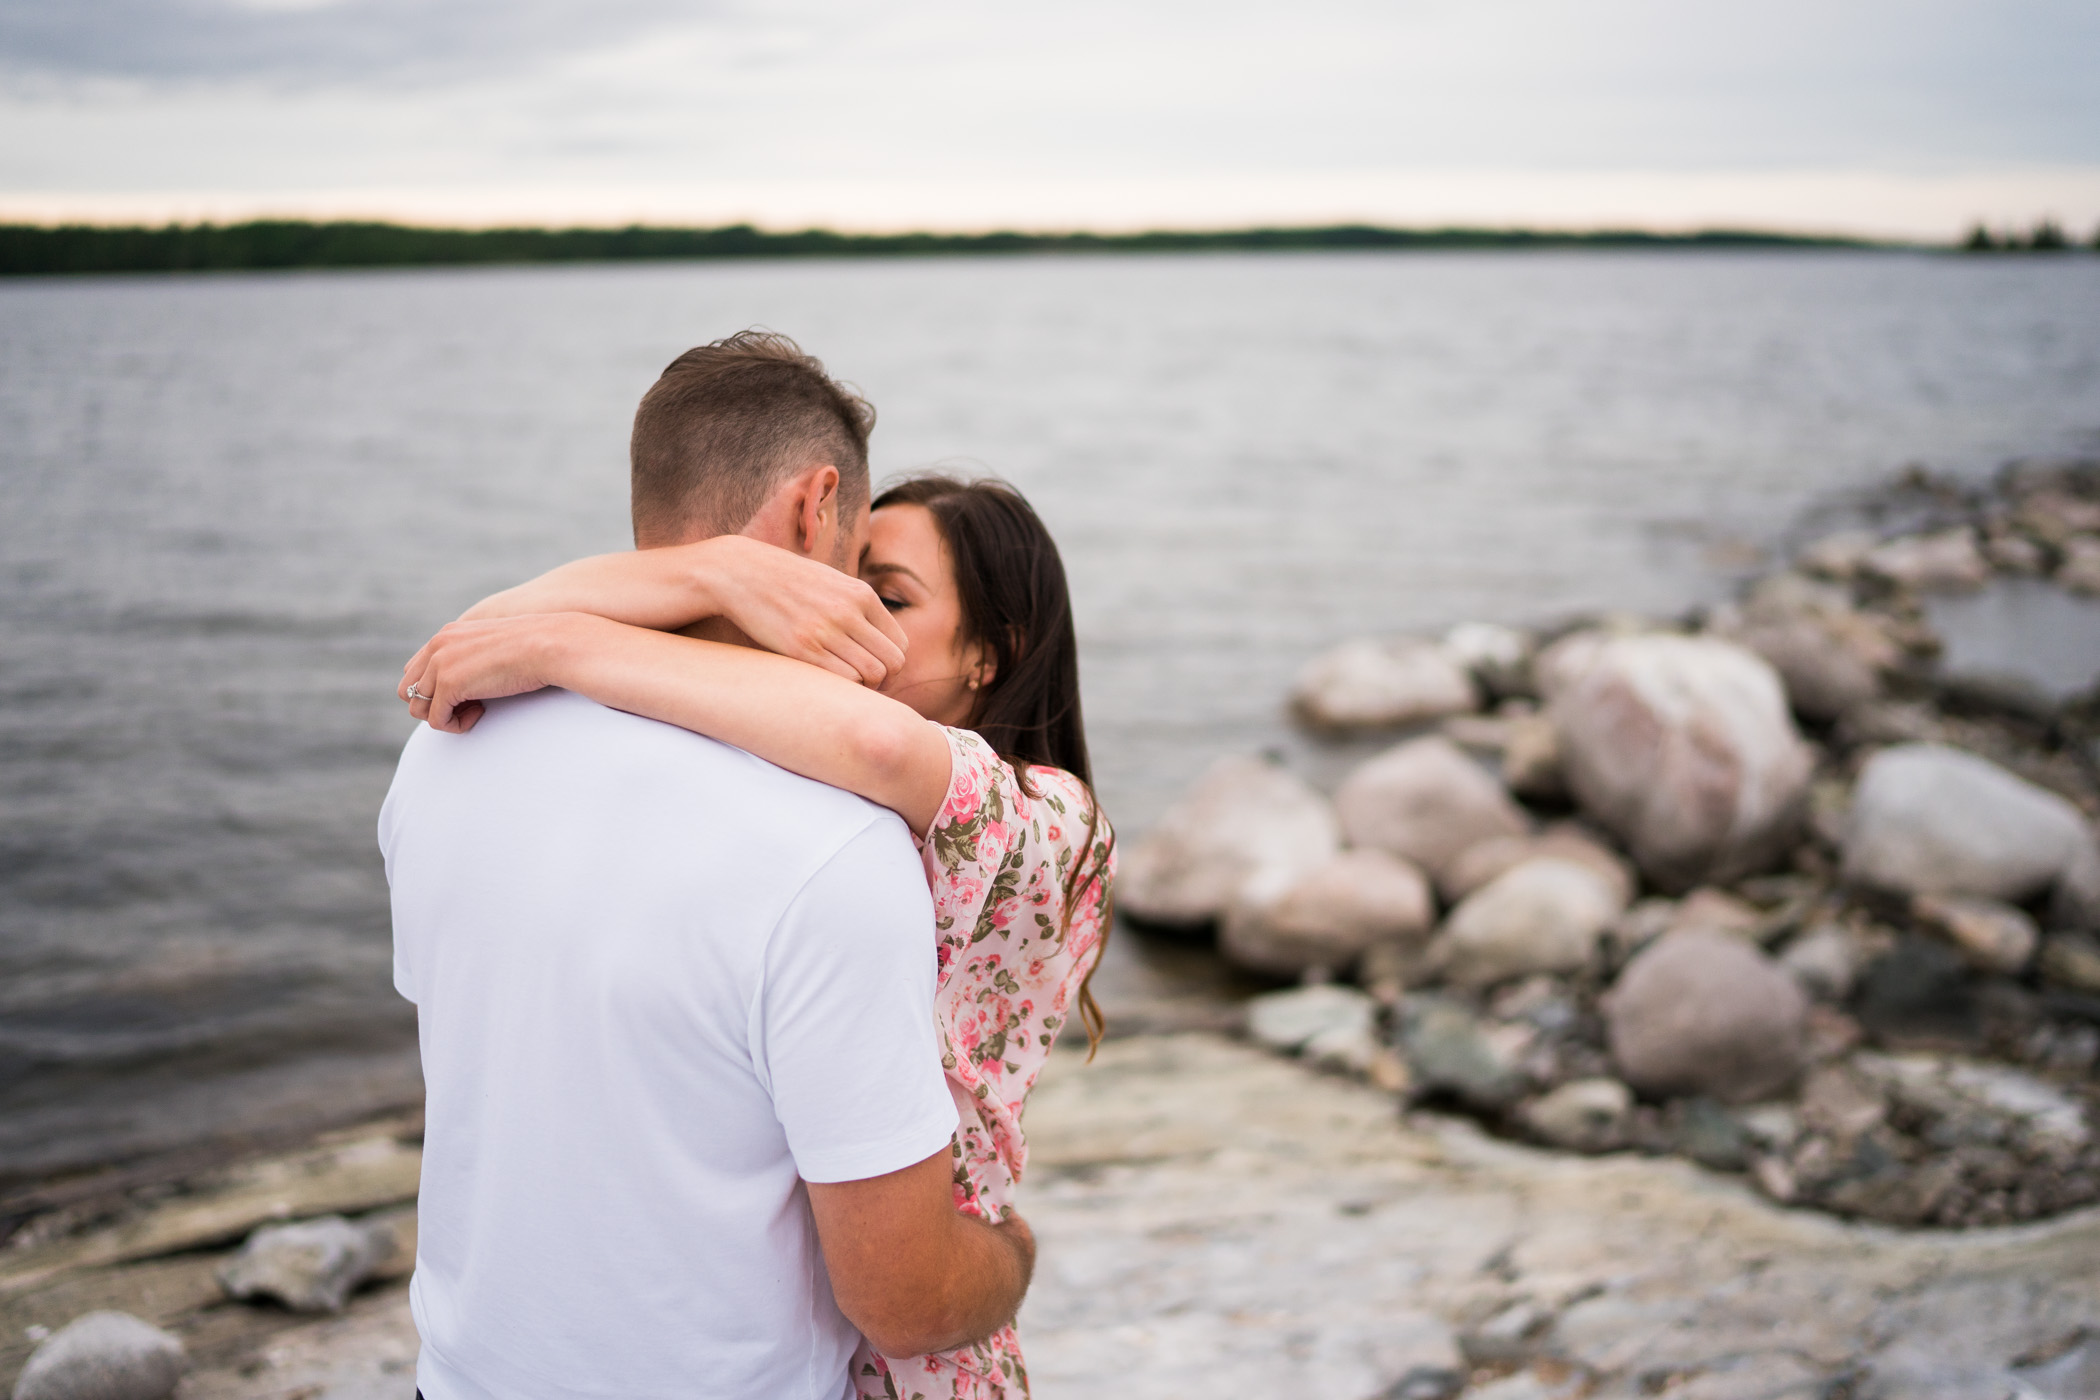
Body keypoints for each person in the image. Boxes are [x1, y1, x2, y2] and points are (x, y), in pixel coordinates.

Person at [381, 332, 1038, 1400]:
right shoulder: (836, 845)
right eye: (859, 555)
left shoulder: (445, 746)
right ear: (814, 506)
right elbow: (906, 1300)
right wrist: (1012, 1251)